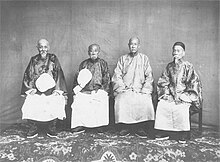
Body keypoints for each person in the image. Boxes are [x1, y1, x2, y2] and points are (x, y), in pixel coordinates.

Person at [154, 42, 202, 143]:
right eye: (174, 50)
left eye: (178, 51)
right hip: (171, 95)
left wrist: (184, 95)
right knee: (163, 105)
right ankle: (163, 131)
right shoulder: (169, 67)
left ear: (183, 53)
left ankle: (183, 133)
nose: (176, 53)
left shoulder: (188, 66)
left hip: (184, 95)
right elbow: (163, 81)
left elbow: (193, 83)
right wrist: (167, 95)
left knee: (181, 108)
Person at [21, 38, 68, 138]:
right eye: (41, 47)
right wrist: (31, 89)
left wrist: (57, 90)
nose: (43, 49)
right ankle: (33, 128)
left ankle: (51, 127)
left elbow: (59, 73)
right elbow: (28, 74)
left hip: (51, 92)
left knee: (57, 99)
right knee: (30, 100)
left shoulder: (53, 59)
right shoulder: (34, 60)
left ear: (48, 47)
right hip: (37, 91)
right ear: (37, 48)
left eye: (45, 47)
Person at [112, 37, 155, 137]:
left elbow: (149, 76)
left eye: (135, 44)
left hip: (140, 89)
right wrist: (122, 88)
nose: (133, 46)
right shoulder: (123, 59)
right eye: (131, 44)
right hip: (125, 88)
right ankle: (125, 127)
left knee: (145, 100)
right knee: (122, 100)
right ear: (128, 45)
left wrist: (145, 89)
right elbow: (117, 75)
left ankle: (139, 127)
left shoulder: (144, 58)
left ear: (139, 46)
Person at [71, 44, 110, 133]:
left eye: (95, 51)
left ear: (98, 52)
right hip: (85, 90)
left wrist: (102, 89)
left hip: (98, 90)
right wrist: (80, 89)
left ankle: (99, 125)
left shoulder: (102, 63)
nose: (93, 53)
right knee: (78, 98)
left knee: (102, 97)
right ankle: (79, 125)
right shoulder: (83, 64)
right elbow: (78, 78)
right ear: (88, 52)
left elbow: (107, 78)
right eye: (91, 51)